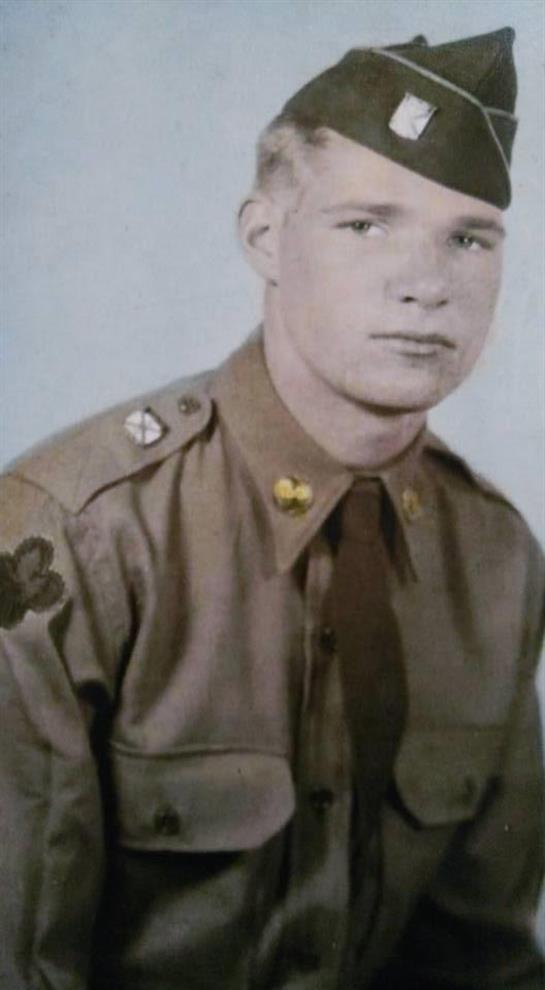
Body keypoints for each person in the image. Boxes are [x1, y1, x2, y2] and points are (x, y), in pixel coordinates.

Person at [0, 26, 543, 990]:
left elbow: (482, 957)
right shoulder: (74, 535)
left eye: (467, 238)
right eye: (365, 225)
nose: (426, 284)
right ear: (263, 238)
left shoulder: (493, 556)